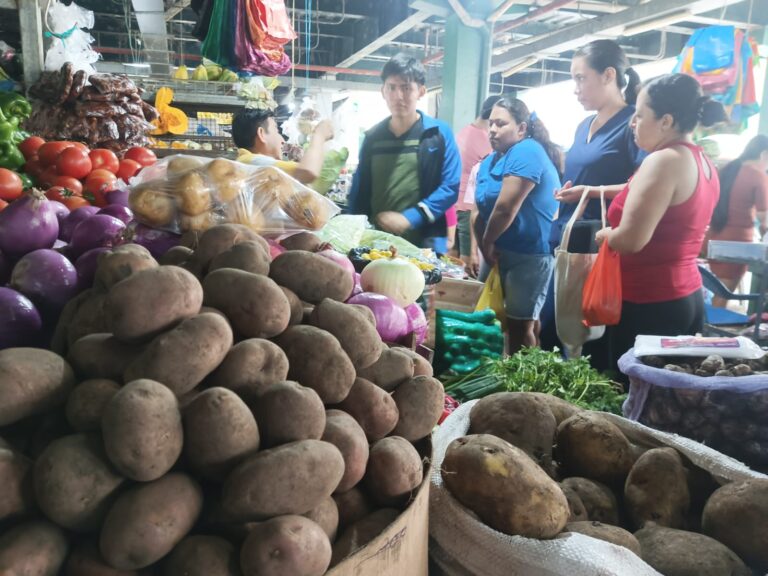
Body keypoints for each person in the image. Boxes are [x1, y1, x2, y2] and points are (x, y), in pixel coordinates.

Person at [595, 73, 727, 373]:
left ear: (666, 121)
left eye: (640, 116)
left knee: (634, 399)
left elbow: (631, 240)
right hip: (683, 295)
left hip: (649, 302)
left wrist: (603, 235)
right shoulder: (700, 160)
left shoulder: (663, 161)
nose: (633, 123)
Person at [539, 39, 645, 362]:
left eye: (580, 78)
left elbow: (640, 185)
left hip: (597, 245)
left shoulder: (631, 125)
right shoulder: (584, 125)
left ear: (608, 75)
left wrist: (590, 192)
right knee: (552, 328)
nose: (575, 88)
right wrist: (575, 187)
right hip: (567, 236)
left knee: (587, 334)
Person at [472, 97, 562, 354]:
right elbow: (479, 207)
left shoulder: (528, 151)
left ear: (521, 129)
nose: (492, 130)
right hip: (497, 254)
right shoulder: (491, 160)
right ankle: (499, 377)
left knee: (520, 327)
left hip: (528, 256)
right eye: (490, 124)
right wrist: (483, 245)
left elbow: (505, 208)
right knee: (490, 321)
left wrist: (487, 243)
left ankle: (521, 386)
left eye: (501, 124)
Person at [348, 54, 461, 253]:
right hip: (375, 244)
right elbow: (359, 190)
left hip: (425, 245)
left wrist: (411, 217)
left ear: (421, 91)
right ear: (383, 91)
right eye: (392, 87)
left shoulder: (438, 135)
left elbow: (450, 187)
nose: (398, 96)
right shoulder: (373, 138)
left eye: (406, 88)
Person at [708, 134, 768, 307]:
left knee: (717, 291)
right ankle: (706, 331)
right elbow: (764, 220)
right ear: (764, 154)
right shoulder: (758, 176)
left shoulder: (728, 169)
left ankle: (704, 327)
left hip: (714, 237)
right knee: (723, 295)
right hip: (736, 245)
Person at [451, 95, 498, 276]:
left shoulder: (465, 132)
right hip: (467, 206)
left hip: (455, 203)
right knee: (468, 264)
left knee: (453, 263)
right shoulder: (484, 139)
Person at [231, 107, 334, 185]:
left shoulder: (248, 161)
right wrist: (319, 136)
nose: (281, 138)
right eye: (277, 130)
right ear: (261, 134)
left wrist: (299, 162)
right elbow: (307, 172)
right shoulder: (251, 161)